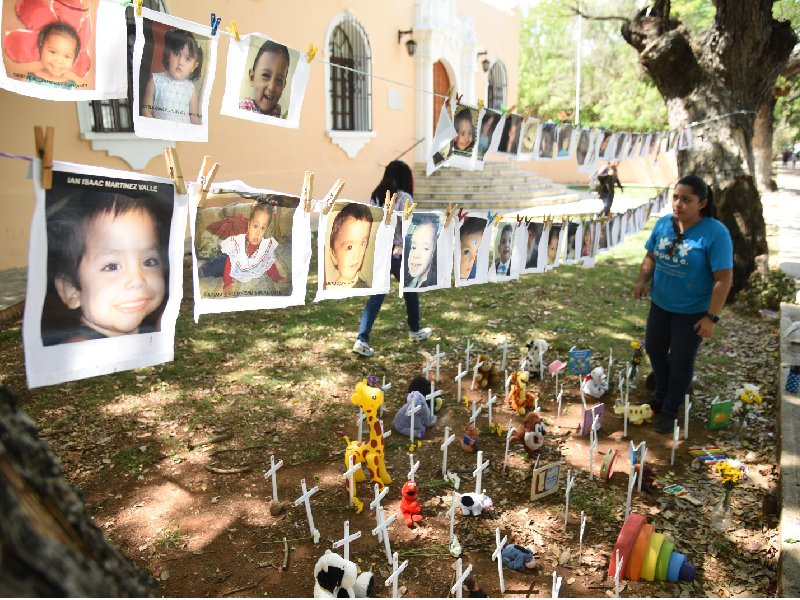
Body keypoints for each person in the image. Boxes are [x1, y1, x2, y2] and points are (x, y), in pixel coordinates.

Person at [632, 175, 733, 434]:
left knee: (680, 359)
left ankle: (670, 409)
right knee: (654, 348)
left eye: (686, 200)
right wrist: (643, 280)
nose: (678, 204)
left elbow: (723, 278)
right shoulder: (664, 224)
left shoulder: (715, 233)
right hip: (661, 304)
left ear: (702, 203)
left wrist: (711, 317)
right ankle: (660, 396)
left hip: (693, 311)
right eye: (675, 197)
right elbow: (651, 256)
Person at [47, 192, 167, 344]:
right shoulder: (81, 347)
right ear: (71, 290)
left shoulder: (154, 327)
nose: (137, 280)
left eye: (149, 262)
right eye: (112, 266)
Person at [353, 161, 431, 357]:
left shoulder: (376, 194)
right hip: (398, 252)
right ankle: (415, 329)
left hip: (379, 252)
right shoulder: (404, 197)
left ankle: (362, 339)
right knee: (410, 290)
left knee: (377, 296)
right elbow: (408, 228)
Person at [209, 203, 288, 294]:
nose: (258, 232)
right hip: (226, 262)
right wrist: (227, 282)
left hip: (243, 265)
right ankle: (202, 270)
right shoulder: (238, 243)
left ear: (266, 230)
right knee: (215, 265)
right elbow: (229, 264)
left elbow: (269, 263)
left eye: (262, 228)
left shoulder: (264, 246)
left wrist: (277, 278)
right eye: (255, 226)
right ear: (249, 225)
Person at [142, 28, 203, 124]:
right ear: (168, 54)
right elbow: (146, 110)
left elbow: (194, 118)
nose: (180, 63)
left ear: (194, 66)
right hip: (161, 134)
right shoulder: (155, 81)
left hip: (182, 137)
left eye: (187, 58)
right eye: (177, 54)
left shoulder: (190, 88)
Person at [326, 202, 373, 289]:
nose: (357, 255)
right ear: (333, 256)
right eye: (349, 247)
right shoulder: (327, 287)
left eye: (362, 243)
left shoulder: (364, 287)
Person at [240, 40, 290, 117]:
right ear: (252, 78)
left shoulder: (280, 114)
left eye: (279, 80)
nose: (272, 87)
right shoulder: (241, 109)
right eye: (266, 75)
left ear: (284, 85)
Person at [27, 22, 80, 87]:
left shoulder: (71, 86)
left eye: (67, 56)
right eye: (53, 52)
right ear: (41, 47)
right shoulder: (28, 79)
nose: (59, 61)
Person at [404, 214, 439, 289]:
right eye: (414, 247)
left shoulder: (432, 282)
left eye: (425, 248)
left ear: (434, 251)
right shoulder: (411, 280)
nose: (416, 255)